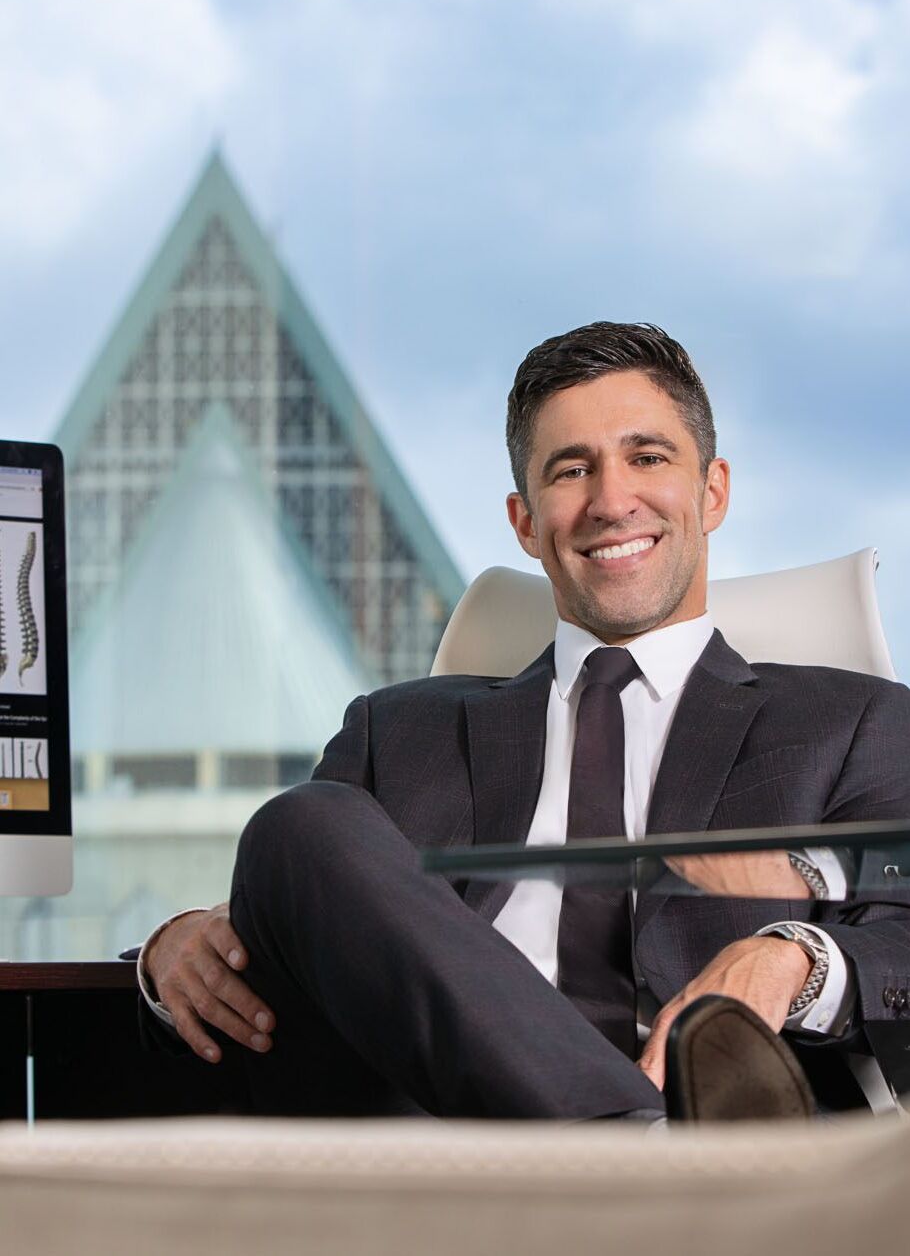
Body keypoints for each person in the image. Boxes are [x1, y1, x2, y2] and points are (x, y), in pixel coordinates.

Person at [139, 322, 910, 1122]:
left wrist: (794, 962)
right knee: (300, 822)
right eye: (572, 470)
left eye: (648, 458)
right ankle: (629, 1148)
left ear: (712, 491)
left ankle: (621, 1149)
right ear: (525, 521)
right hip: (432, 1148)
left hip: (717, 1138)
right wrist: (169, 948)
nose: (611, 502)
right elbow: (299, 920)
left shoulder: (854, 721)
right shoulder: (394, 733)